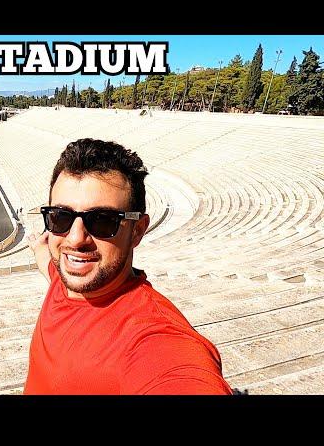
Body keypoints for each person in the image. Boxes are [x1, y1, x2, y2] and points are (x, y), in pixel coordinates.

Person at [24, 138, 232, 395]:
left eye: (102, 221)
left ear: (137, 231)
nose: (75, 239)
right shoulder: (66, 274)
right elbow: (48, 263)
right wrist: (39, 247)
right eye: (61, 217)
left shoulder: (152, 337)